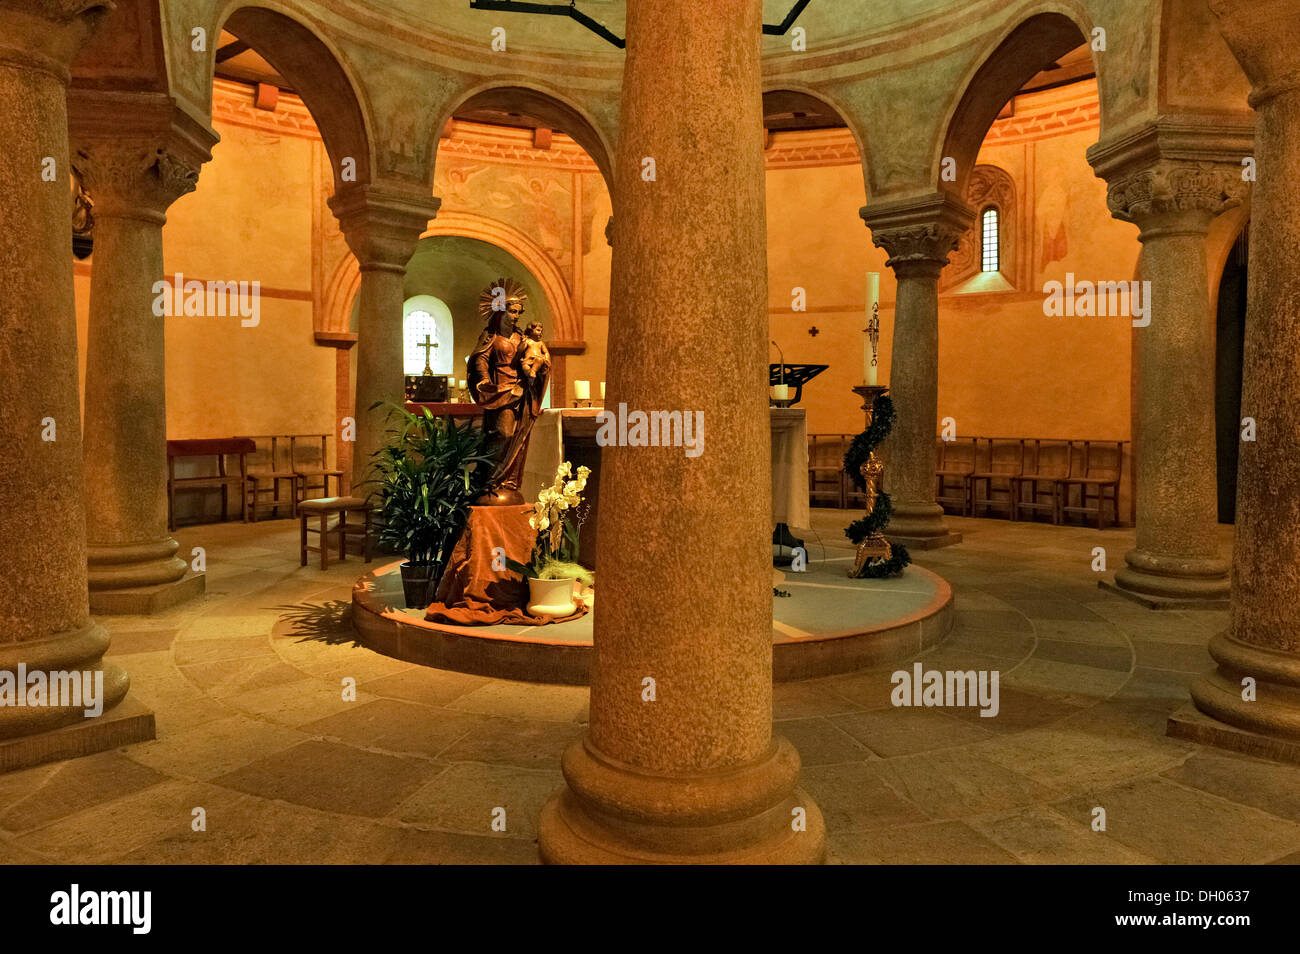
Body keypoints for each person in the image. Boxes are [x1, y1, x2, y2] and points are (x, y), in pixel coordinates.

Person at [466, 279, 550, 504]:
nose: (515, 316)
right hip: (499, 391)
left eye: (517, 313)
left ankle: (506, 482)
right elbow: (480, 359)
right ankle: (487, 479)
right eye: (511, 312)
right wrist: (484, 380)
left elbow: (534, 356)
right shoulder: (491, 337)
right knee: (503, 433)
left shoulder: (521, 337)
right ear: (500, 312)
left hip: (521, 389)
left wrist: (540, 367)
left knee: (518, 436)